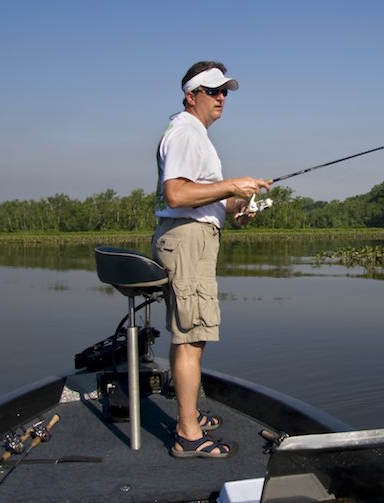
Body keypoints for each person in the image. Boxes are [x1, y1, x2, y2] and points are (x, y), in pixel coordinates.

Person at [152, 61, 271, 459]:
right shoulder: (185, 133)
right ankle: (187, 435)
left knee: (191, 334)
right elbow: (177, 195)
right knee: (191, 335)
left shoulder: (197, 136)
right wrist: (231, 185)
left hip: (195, 239)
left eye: (225, 92)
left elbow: (202, 196)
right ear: (191, 96)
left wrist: (237, 204)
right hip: (187, 241)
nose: (222, 97)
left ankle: (190, 414)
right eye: (214, 91)